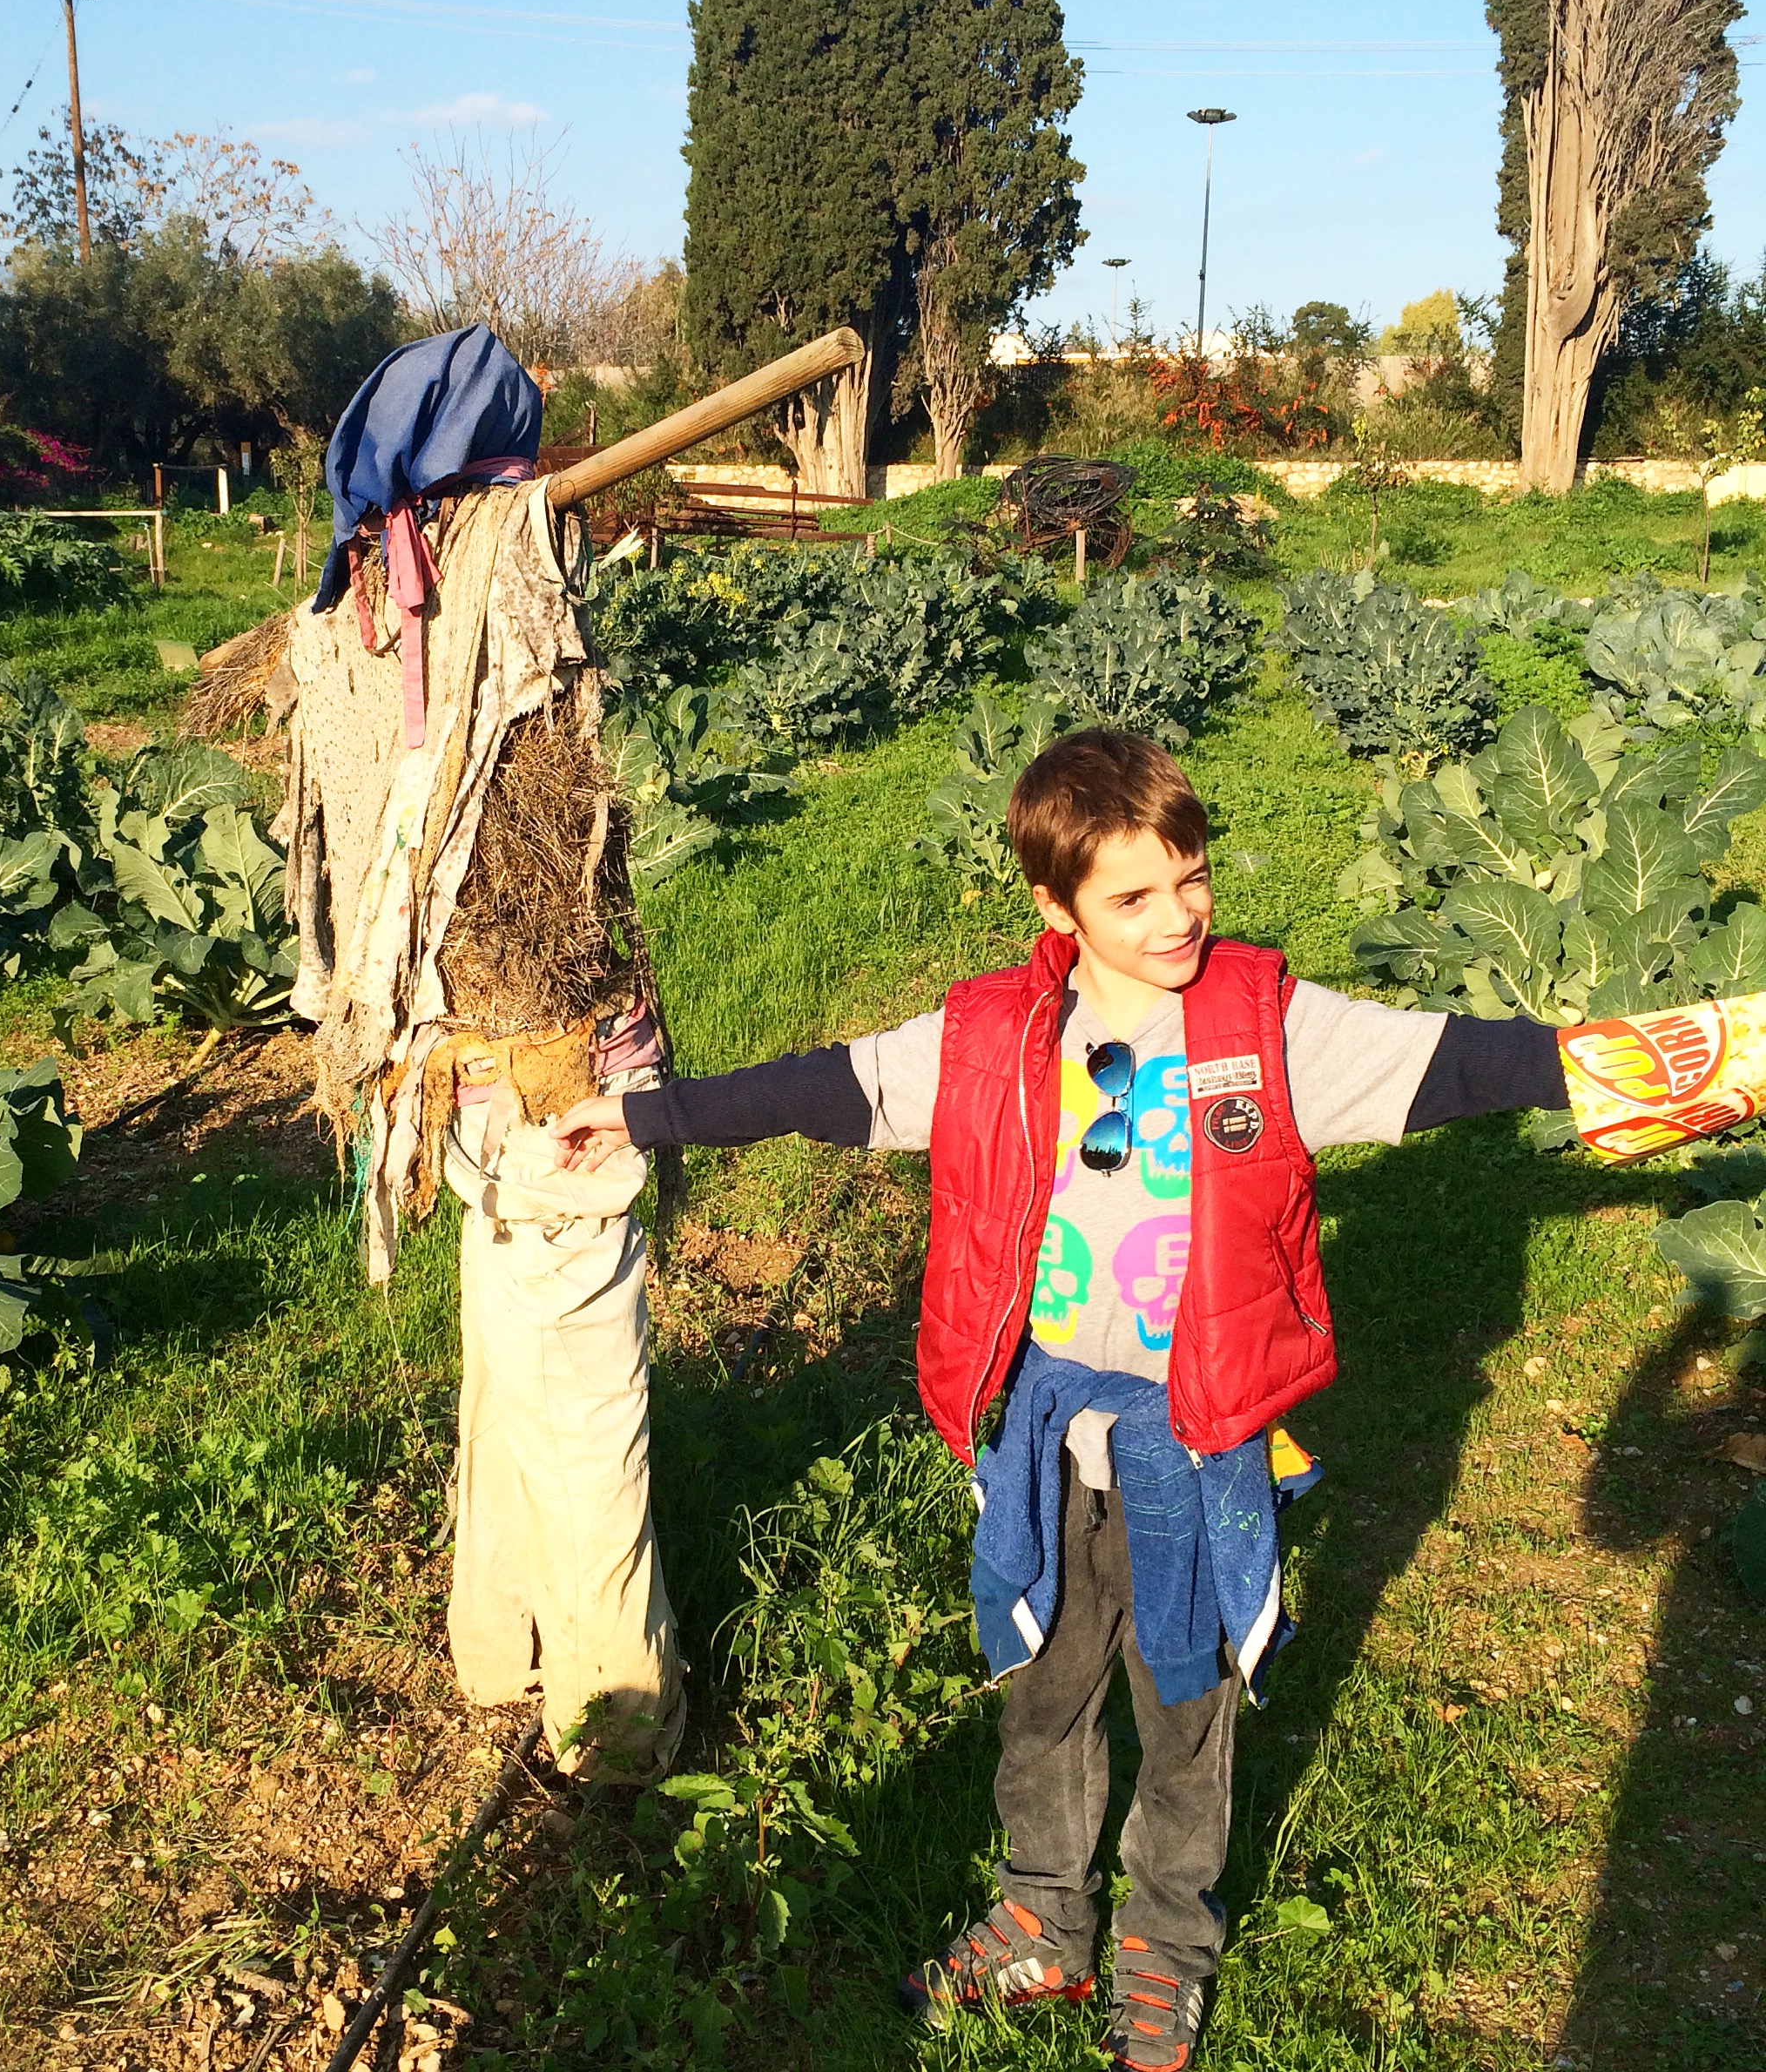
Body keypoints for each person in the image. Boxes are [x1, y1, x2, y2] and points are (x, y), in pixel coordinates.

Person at [550, 727, 1569, 2069]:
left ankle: (1167, 1940)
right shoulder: (991, 1043)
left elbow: (1472, 1065)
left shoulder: (1268, 1033)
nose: (1179, 918)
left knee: (1184, 1694)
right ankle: (1042, 1916)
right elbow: (828, 1085)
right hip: (1042, 1429)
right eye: (1133, 897)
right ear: (1056, 907)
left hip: (1197, 1434)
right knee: (1041, 1682)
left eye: (1192, 878)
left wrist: (1693, 1059)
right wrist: (642, 1117)